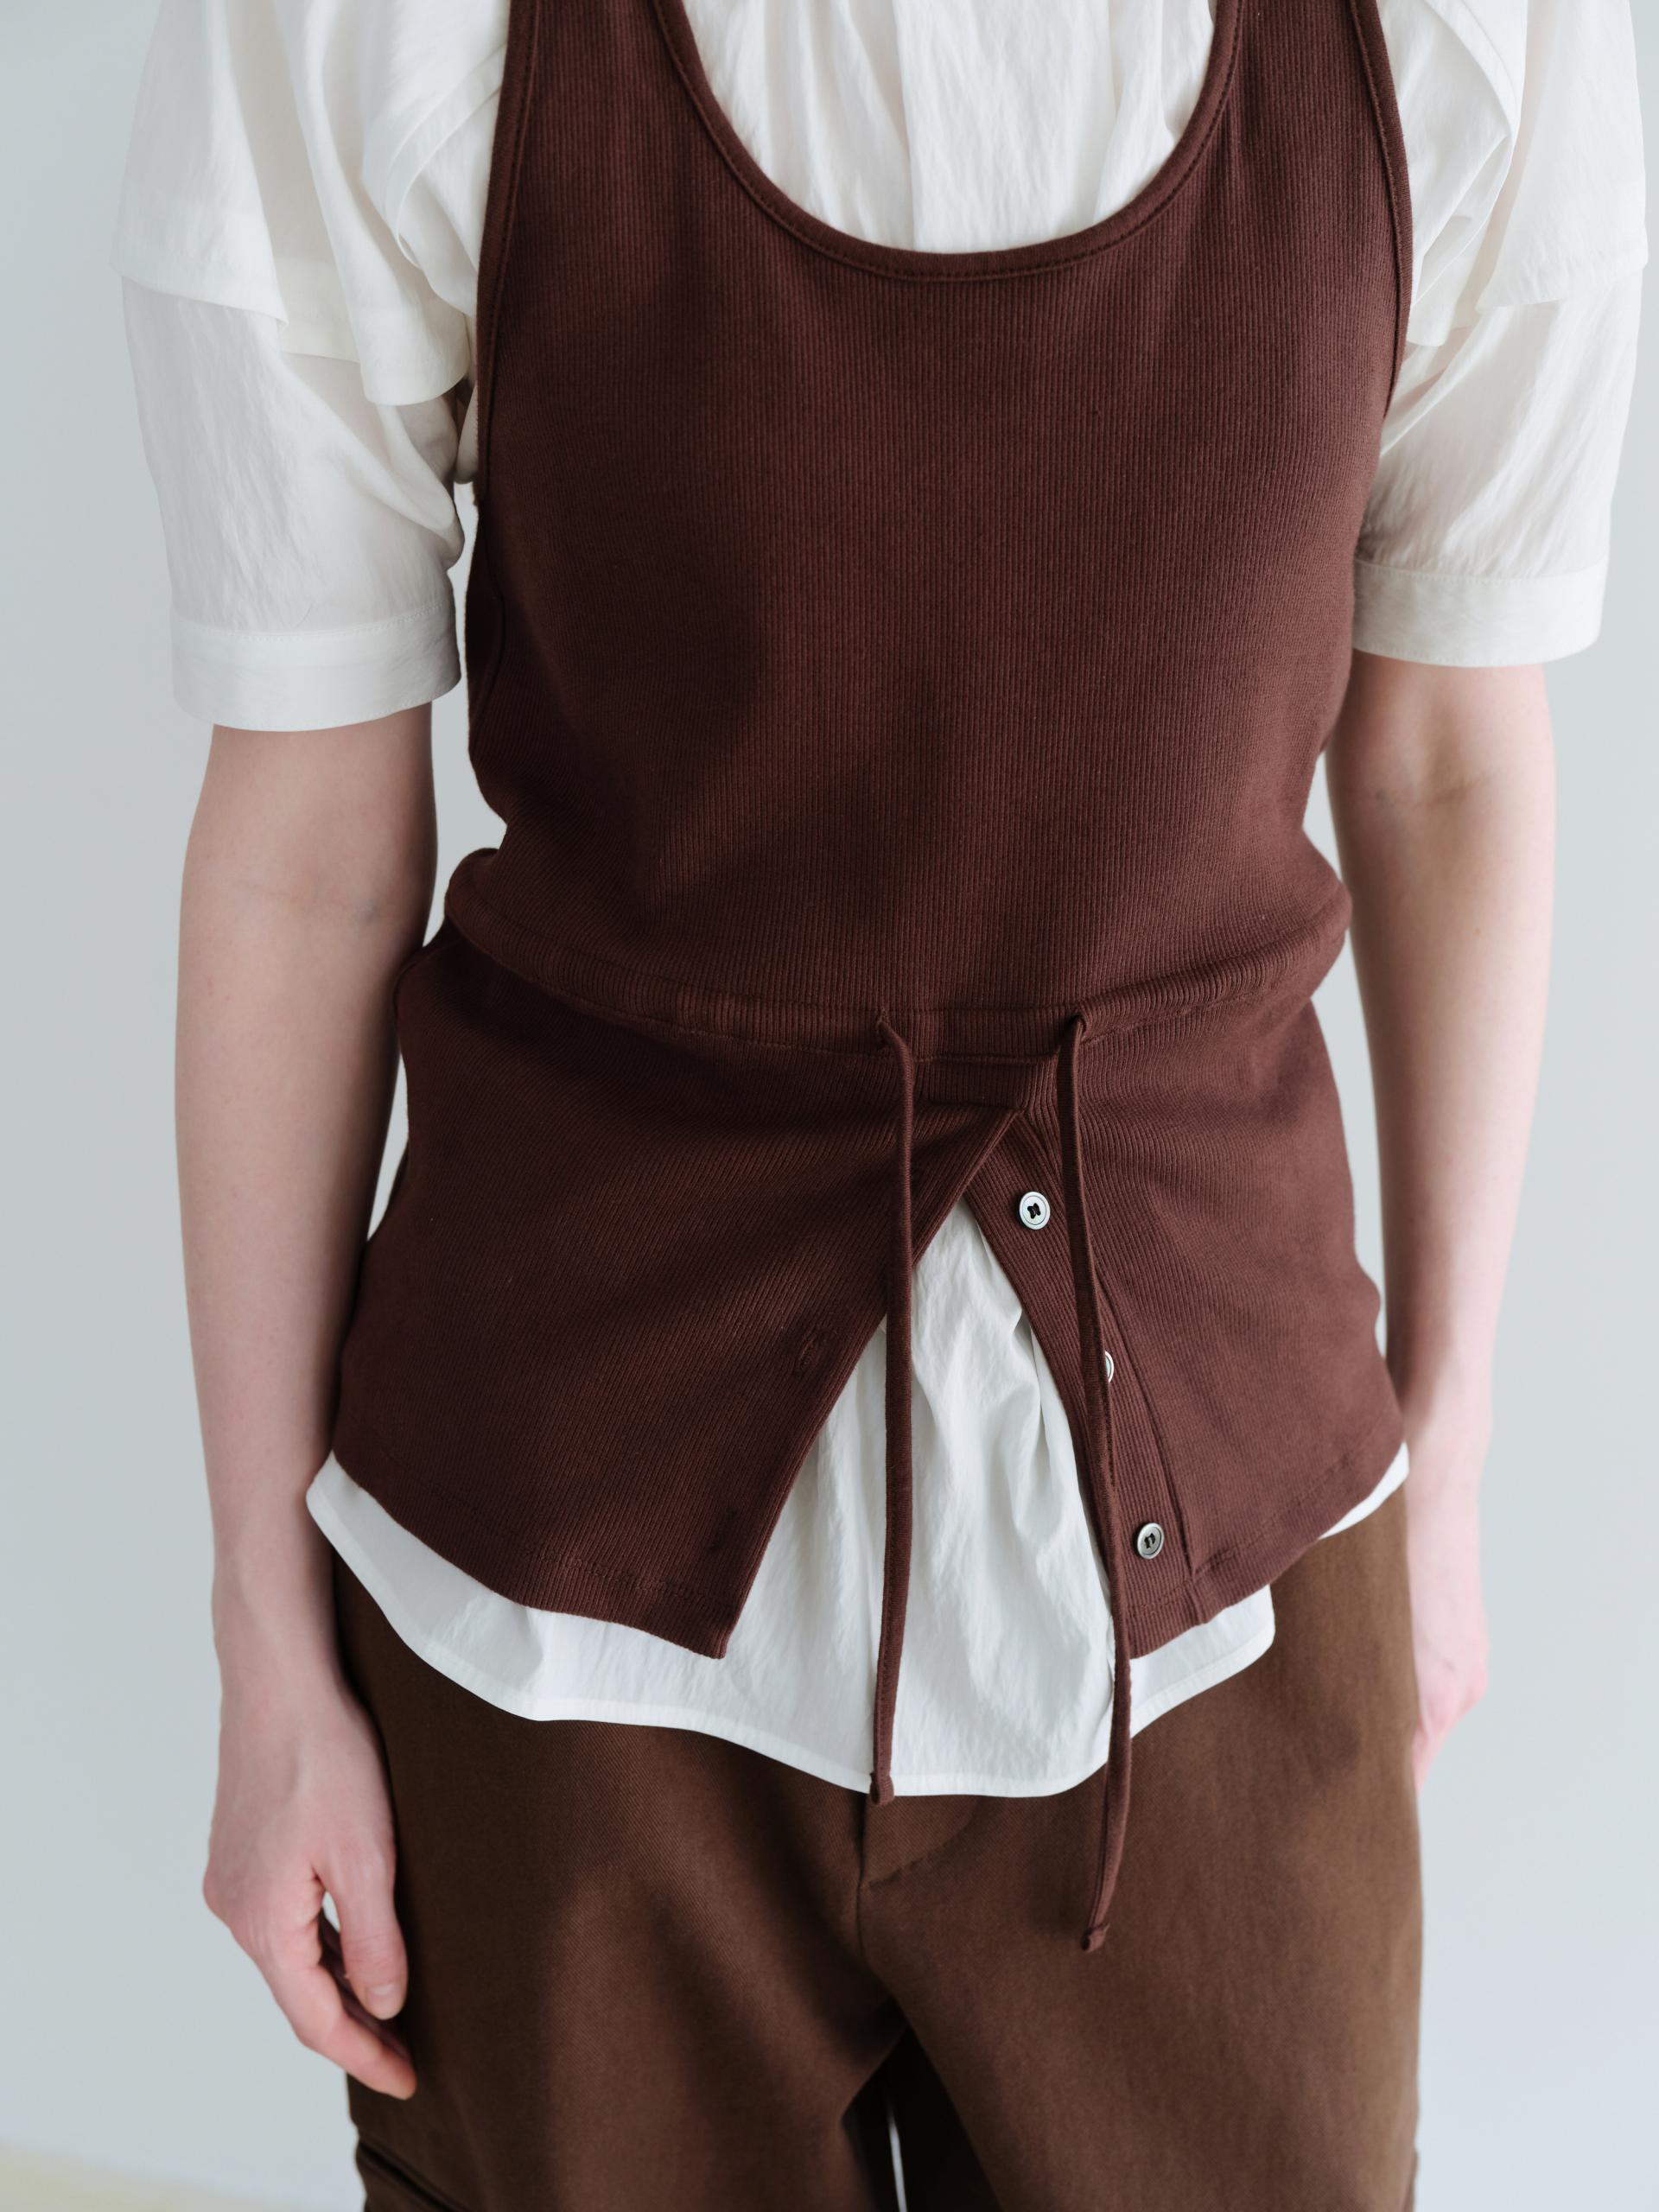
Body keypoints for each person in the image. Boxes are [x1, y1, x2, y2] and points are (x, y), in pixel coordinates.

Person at [115, 0, 1644, 2204]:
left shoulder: (1470, 39)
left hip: (1218, 1575)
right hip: (556, 1599)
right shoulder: (392, 32)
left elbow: (1446, 753)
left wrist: (1453, 1462)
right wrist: (267, 1634)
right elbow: (306, 852)